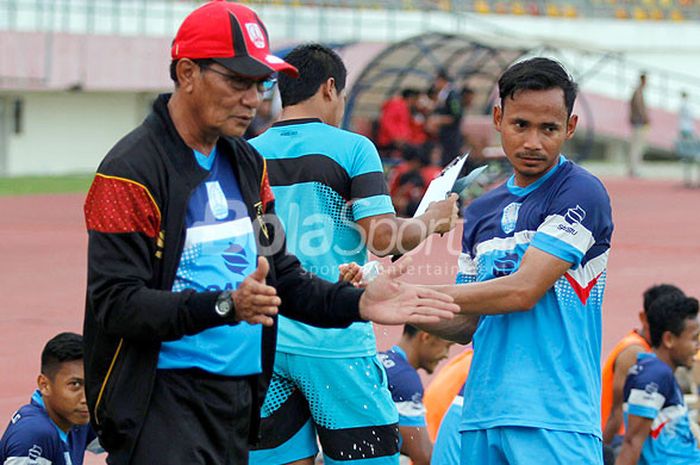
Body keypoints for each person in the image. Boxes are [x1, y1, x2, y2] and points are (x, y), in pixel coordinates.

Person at [82, 3, 459, 465]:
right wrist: (227, 306)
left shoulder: (245, 163)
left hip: (240, 394)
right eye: (237, 81)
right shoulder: (130, 172)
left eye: (261, 83)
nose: (254, 99)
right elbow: (116, 305)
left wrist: (358, 303)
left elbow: (284, 275)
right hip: (164, 406)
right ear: (187, 73)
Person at [246, 43, 459, 465]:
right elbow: (381, 237)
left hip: (265, 338)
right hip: (335, 337)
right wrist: (433, 220)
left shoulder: (250, 152)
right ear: (330, 88)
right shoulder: (352, 148)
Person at [422, 57, 614, 464]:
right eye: (520, 125)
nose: (533, 142)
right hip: (479, 414)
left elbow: (524, 290)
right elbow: (460, 323)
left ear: (570, 127)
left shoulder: (580, 192)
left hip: (556, 419)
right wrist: (375, 301)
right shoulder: (481, 211)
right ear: (498, 118)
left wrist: (413, 293)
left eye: (549, 129)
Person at [615, 293, 700, 465]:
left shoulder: (662, 373)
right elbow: (631, 443)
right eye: (694, 339)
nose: (697, 346)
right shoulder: (654, 375)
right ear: (669, 339)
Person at [601, 284, 685, 450]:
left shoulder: (650, 352)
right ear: (644, 318)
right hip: (617, 438)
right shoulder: (634, 353)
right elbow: (616, 414)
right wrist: (601, 453)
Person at [0, 332, 100, 465]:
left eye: (91, 384)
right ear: (44, 385)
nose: (86, 398)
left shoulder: (76, 417)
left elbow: (125, 442)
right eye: (75, 385)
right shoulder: (35, 434)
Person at [378, 325, 453, 465]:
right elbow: (426, 457)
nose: (446, 355)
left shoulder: (379, 360)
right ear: (426, 337)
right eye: (447, 346)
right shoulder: (405, 379)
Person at [431, 70, 464, 166]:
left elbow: (456, 115)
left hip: (452, 136)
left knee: (451, 160)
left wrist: (439, 120)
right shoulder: (443, 95)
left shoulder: (452, 95)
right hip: (446, 136)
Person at [628, 73, 650, 178]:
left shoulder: (638, 91)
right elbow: (639, 107)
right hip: (638, 122)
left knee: (637, 146)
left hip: (638, 122)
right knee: (637, 146)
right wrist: (645, 117)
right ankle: (634, 169)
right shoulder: (638, 92)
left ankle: (634, 168)